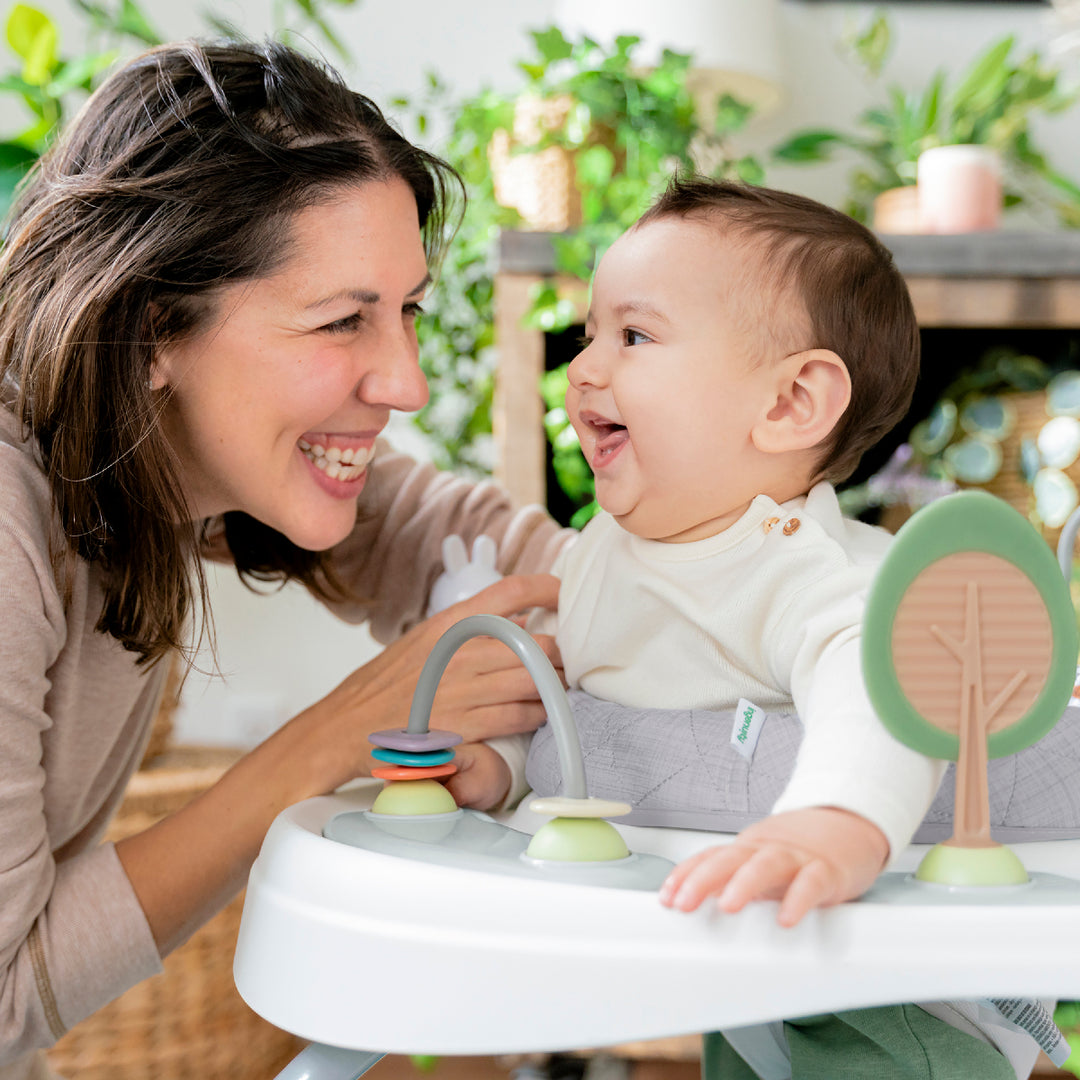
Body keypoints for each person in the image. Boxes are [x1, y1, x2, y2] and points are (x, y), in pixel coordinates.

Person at [0, 40, 573, 1079]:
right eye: (343, 320)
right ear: (153, 328)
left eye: (406, 311)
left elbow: (469, 543)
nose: (402, 381)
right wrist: (343, 731)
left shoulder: (158, 458)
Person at [467, 178, 1034, 1079]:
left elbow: (880, 688)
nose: (583, 369)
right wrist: (492, 772)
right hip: (739, 940)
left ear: (789, 404)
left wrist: (834, 821)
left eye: (636, 335)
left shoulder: (811, 572)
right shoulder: (596, 557)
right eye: (589, 334)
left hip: (877, 973)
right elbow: (592, 732)